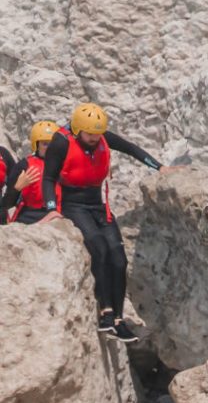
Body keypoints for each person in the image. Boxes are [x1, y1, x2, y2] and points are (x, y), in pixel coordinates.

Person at [39, 103, 163, 338]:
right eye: (90, 134)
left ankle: (117, 318)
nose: (95, 138)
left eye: (98, 134)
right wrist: (52, 208)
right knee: (98, 246)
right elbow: (48, 178)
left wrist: (160, 167)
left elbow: (132, 149)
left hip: (98, 203)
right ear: (78, 129)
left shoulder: (99, 135)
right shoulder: (62, 141)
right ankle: (105, 310)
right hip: (73, 203)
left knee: (118, 258)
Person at [4, 121, 58, 224]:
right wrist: (17, 188)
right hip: (29, 216)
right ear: (36, 144)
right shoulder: (24, 165)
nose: (50, 148)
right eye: (45, 144)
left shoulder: (65, 165)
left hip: (57, 214)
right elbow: (6, 204)